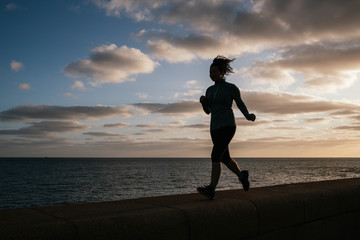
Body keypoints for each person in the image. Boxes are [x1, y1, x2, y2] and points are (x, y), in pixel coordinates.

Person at [197, 56, 256, 200]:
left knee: (215, 155)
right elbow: (208, 111)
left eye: (215, 72)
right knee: (225, 157)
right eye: (210, 72)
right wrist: (203, 102)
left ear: (222, 72)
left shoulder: (231, 88)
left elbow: (240, 103)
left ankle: (211, 189)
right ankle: (242, 175)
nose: (212, 75)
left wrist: (248, 116)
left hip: (228, 125)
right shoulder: (209, 90)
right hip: (214, 128)